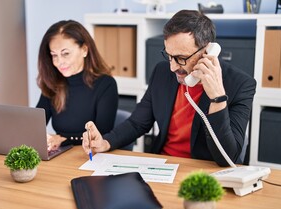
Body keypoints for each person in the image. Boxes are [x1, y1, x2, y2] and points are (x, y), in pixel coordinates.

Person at [82, 10, 256, 167]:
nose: (172, 67)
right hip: (163, 165)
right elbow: (137, 123)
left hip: (204, 173)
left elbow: (228, 158)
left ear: (207, 51)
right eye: (169, 56)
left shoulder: (241, 85)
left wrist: (217, 97)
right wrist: (105, 142)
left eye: (181, 58)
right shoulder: (161, 72)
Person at [36, 20, 118, 151]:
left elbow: (101, 136)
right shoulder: (53, 83)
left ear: (84, 50)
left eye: (65, 53)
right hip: (61, 155)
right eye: (54, 55)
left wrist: (62, 139)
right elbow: (36, 125)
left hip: (90, 155)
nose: (59, 62)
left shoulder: (106, 84)